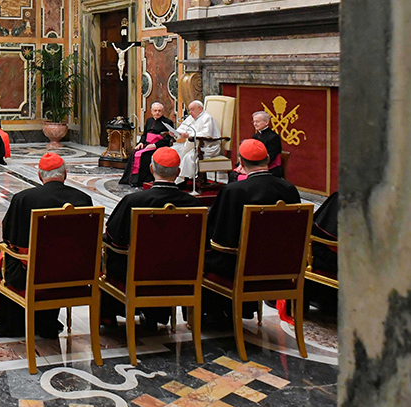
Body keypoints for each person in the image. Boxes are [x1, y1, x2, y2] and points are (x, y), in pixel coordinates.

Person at [0, 153, 93, 339]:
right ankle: (47, 322)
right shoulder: (83, 199)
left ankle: (11, 325)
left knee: (3, 249)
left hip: (33, 277)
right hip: (75, 276)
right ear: (65, 174)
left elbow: (10, 237)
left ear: (40, 176)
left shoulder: (24, 199)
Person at [204, 139, 302, 321]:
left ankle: (216, 314)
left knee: (205, 256)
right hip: (280, 266)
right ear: (267, 159)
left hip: (238, 268)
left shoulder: (233, 191)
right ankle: (246, 309)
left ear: (241, 163)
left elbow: (218, 232)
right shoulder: (289, 189)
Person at [103, 147, 199, 326]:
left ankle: (109, 316)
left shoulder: (134, 201)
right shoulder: (193, 204)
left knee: (113, 257)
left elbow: (115, 237)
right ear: (178, 172)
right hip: (180, 273)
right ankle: (158, 315)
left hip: (136, 275)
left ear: (151, 169)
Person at [119, 102, 175, 187]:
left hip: (158, 146)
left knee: (144, 156)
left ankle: (141, 180)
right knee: (134, 153)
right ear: (151, 111)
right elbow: (145, 134)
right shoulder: (149, 121)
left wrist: (155, 145)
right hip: (146, 144)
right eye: (155, 110)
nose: (157, 113)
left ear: (163, 111)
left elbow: (167, 138)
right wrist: (141, 142)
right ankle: (130, 179)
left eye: (159, 111)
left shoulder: (168, 122)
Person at [172, 100, 221, 185]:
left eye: (192, 110)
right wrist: (175, 133)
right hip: (192, 145)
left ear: (200, 109)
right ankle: (174, 178)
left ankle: (184, 180)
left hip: (207, 147)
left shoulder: (207, 118)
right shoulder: (191, 117)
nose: (190, 112)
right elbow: (182, 128)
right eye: (189, 110)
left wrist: (189, 135)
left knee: (189, 157)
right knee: (174, 151)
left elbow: (207, 134)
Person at [230, 111, 284, 181]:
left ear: (266, 122)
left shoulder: (273, 137)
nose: (255, 124)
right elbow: (251, 153)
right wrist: (242, 165)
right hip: (254, 165)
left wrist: (252, 168)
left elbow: (271, 156)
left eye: (257, 122)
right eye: (254, 122)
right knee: (233, 174)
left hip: (267, 168)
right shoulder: (256, 135)